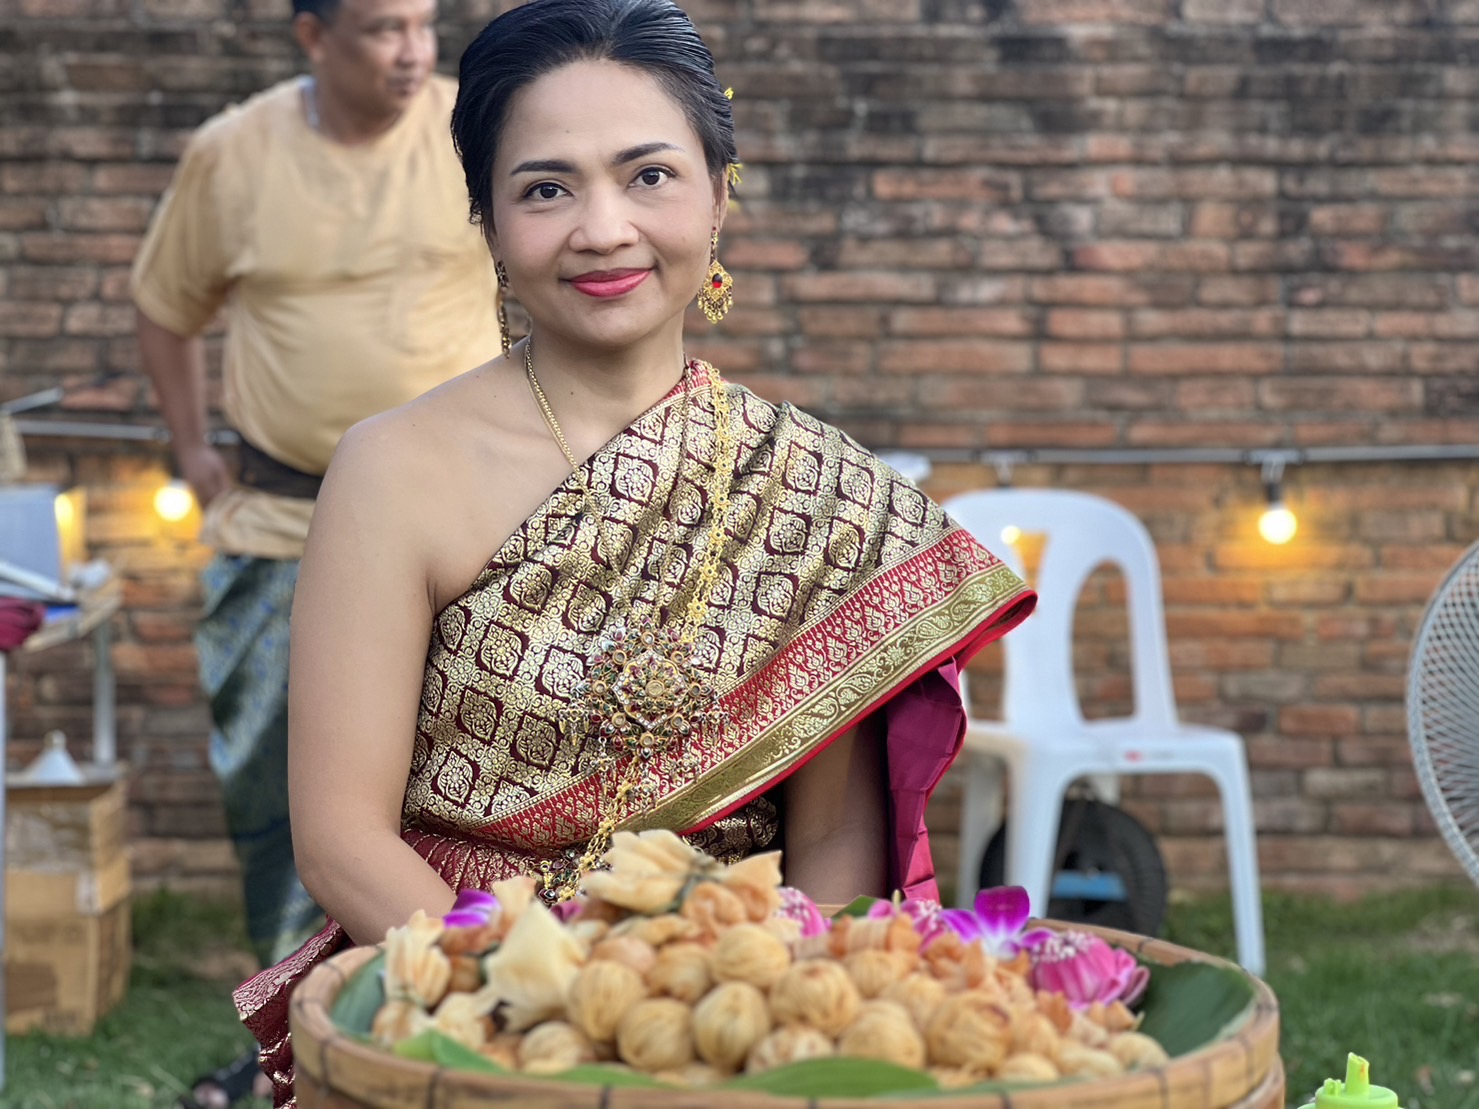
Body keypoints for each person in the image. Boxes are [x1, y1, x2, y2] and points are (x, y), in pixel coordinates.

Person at [234, 0, 1035, 1102]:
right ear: (487, 221)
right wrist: (548, 1006)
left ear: (718, 195)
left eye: (649, 175)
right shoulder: (392, 471)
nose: (603, 229)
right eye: (546, 189)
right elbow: (339, 836)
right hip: (460, 1005)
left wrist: (755, 1023)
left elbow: (836, 843)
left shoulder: (823, 495)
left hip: (721, 1008)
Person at [130, 0, 499, 1103]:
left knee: (463, 793)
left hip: (469, 533)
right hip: (282, 526)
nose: (414, 50)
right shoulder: (233, 153)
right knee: (283, 798)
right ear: (311, 35)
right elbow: (164, 306)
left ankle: (450, 1023)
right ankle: (293, 1046)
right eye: (384, 27)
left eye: (424, 23)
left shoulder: (480, 128)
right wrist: (192, 447)